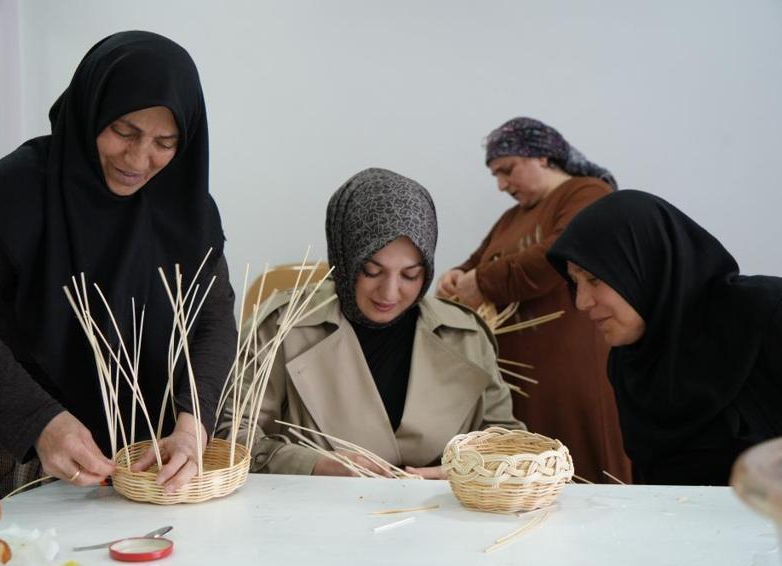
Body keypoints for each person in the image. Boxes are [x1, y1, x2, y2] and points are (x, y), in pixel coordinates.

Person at [0, 31, 237, 497]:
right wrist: (39, 421)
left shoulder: (187, 208)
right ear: (92, 108)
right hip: (21, 452)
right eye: (124, 132)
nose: (139, 159)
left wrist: (194, 423)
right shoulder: (21, 187)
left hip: (147, 455)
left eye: (165, 141)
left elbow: (212, 318)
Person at [222, 168, 522, 478]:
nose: (390, 292)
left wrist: (461, 473)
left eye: (410, 275)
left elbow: (506, 442)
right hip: (311, 514)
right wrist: (313, 465)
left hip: (441, 514)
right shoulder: (283, 325)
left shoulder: (466, 334)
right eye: (371, 270)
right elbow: (231, 434)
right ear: (345, 257)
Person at [436, 117, 631, 483]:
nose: (501, 185)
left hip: (571, 370)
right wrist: (454, 278)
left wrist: (480, 281)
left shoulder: (587, 193)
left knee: (586, 469)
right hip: (522, 379)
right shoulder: (512, 217)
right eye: (495, 175)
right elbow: (478, 261)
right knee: (532, 477)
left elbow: (555, 256)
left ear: (542, 157)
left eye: (507, 170)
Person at [547, 190, 782, 486]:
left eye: (594, 279)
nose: (582, 302)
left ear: (646, 263)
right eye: (575, 283)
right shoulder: (630, 361)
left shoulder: (765, 315)